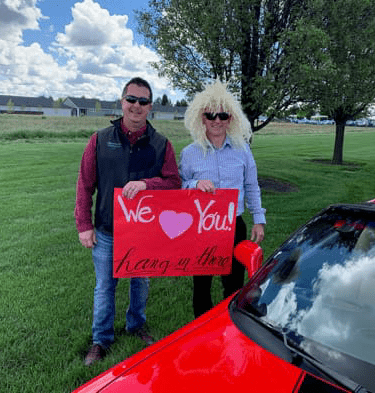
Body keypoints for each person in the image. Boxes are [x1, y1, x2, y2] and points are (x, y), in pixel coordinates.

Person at [75, 77, 181, 366]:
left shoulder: (161, 144)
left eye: (143, 101)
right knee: (105, 286)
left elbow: (174, 182)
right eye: (131, 99)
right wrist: (84, 224)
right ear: (122, 102)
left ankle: (136, 325)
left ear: (150, 107)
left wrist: (148, 184)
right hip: (107, 230)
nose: (136, 106)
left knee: (140, 283)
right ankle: (101, 339)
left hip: (143, 233)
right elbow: (85, 184)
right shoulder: (99, 140)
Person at [179, 80, 266, 318]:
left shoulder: (243, 150)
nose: (216, 120)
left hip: (234, 225)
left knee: (234, 283)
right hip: (203, 226)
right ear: (201, 118)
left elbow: (251, 185)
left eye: (223, 115)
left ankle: (231, 325)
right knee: (202, 285)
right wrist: (194, 184)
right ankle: (202, 328)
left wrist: (259, 219)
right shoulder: (189, 153)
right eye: (210, 115)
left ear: (231, 118)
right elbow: (180, 184)